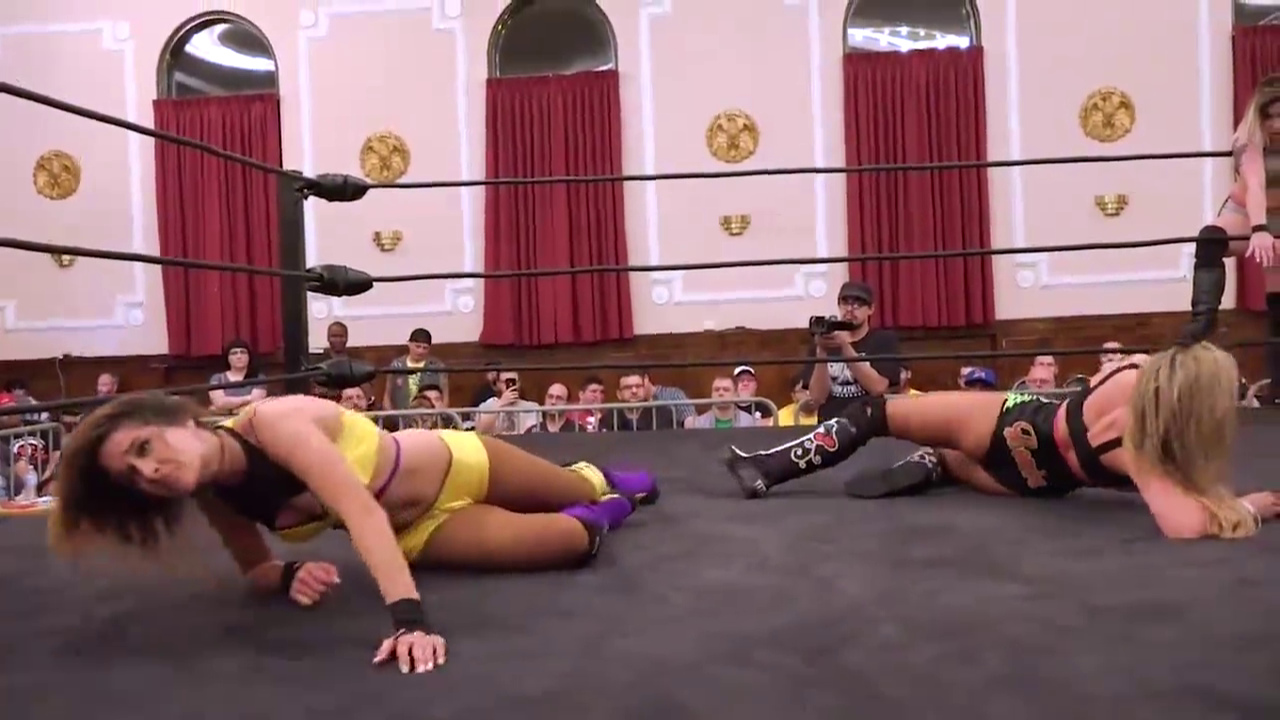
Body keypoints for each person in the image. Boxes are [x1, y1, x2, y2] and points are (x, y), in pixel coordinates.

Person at [48, 393, 659, 674]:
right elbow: (256, 570)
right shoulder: (215, 494)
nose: (151, 471)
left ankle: (598, 479)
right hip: (418, 531)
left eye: (144, 447)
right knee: (569, 543)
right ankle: (609, 509)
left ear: (180, 419)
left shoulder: (273, 424)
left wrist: (410, 622)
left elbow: (358, 510)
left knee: (574, 490)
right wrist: (289, 574)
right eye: (133, 476)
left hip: (458, 461)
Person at [725, 342, 1278, 541]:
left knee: (876, 412)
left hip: (1011, 422)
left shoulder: (1129, 371)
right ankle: (938, 465)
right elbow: (1182, 524)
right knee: (955, 465)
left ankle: (769, 468)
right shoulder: (1144, 455)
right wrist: (1244, 508)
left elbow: (1122, 371)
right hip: (1033, 480)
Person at [1182, 76, 1279, 366]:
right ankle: (1204, 318)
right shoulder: (1247, 138)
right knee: (1211, 237)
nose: (1275, 124)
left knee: (1277, 303)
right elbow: (1255, 184)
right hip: (1247, 212)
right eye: (1268, 116)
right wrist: (1260, 229)